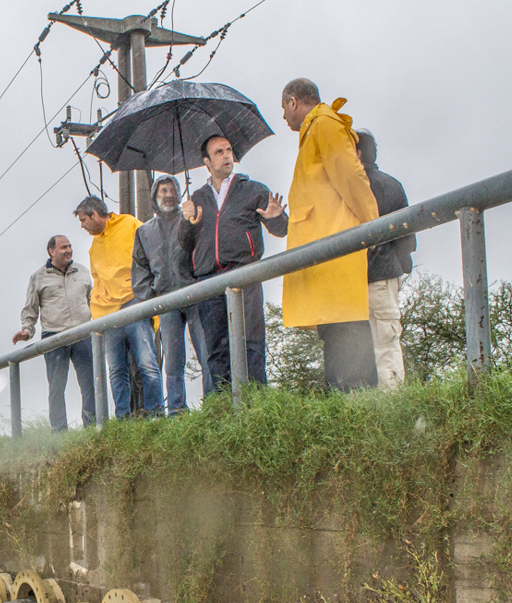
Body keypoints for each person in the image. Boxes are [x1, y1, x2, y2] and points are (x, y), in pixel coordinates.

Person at [280, 78, 380, 392]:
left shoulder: (324, 125)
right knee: (335, 332)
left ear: (294, 101)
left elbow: (351, 177)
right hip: (324, 253)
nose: (284, 117)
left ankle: (359, 406)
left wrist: (372, 227)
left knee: (347, 329)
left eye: (284, 108)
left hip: (337, 248)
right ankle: (341, 405)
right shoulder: (315, 130)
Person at [178, 135, 288, 391]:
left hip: (244, 275)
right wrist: (186, 221)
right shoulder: (197, 198)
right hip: (209, 281)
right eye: (218, 152)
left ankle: (256, 404)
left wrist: (275, 218)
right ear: (207, 161)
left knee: (251, 343)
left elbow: (282, 229)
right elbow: (184, 244)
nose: (226, 155)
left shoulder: (252, 190)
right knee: (216, 350)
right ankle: (221, 409)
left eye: (228, 150)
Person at [74, 196, 164, 418]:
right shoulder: (94, 247)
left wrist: (149, 290)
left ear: (95, 214)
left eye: (84, 220)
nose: (82, 226)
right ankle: (123, 418)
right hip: (108, 314)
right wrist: (97, 311)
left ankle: (155, 412)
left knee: (146, 362)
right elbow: (98, 281)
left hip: (134, 302)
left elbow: (153, 251)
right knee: (116, 370)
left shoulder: (129, 224)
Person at [132, 174, 210, 414]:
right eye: (163, 190)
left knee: (206, 353)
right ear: (155, 196)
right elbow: (140, 267)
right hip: (166, 300)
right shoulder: (144, 231)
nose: (168, 194)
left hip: (194, 293)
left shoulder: (190, 219)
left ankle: (215, 404)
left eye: (172, 190)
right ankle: (177, 409)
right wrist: (151, 298)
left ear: (178, 194)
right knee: (173, 361)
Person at [13, 234, 96, 432]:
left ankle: (93, 427)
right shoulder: (38, 277)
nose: (68, 250)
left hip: (83, 334)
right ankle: (59, 432)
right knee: (57, 388)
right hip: (54, 337)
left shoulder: (82, 272)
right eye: (63, 247)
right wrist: (27, 331)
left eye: (70, 246)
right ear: (52, 251)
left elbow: (94, 300)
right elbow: (30, 309)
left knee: (90, 384)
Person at [356, 129, 416, 390]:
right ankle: (390, 407)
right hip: (385, 275)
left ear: (357, 153)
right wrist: (402, 267)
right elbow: (407, 236)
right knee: (385, 345)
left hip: (368, 276)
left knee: (369, 348)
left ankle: (378, 410)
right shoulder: (392, 184)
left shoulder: (355, 186)